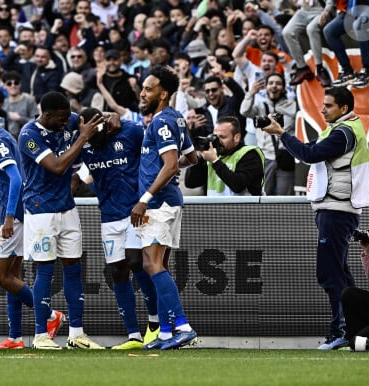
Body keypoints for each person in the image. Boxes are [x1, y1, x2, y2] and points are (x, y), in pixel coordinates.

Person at [262, 87, 369, 350]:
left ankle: (341, 331)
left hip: (336, 210)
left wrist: (281, 133)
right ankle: (353, 330)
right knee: (340, 273)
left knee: (330, 273)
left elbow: (309, 155)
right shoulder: (344, 129)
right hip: (337, 208)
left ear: (343, 109)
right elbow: (310, 148)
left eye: (328, 106)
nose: (322, 110)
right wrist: (284, 136)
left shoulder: (342, 133)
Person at [0, 94, 64, 349]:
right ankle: (15, 337)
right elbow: (9, 182)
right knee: (13, 275)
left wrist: (8, 217)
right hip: (17, 213)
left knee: (0, 276)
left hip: (18, 217)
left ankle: (50, 316)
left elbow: (17, 180)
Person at [18, 91, 105, 350]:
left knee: (74, 268)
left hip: (67, 207)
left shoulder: (69, 119)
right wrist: (83, 137)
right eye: (62, 118)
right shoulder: (28, 136)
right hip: (40, 210)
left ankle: (76, 333)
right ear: (46, 115)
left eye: (69, 116)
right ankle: (41, 335)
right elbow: (56, 166)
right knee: (45, 270)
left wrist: (105, 120)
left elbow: (93, 121)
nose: (67, 122)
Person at [78, 107, 160, 349]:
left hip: (136, 210)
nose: (90, 136)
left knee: (137, 262)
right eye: (86, 132)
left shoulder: (131, 132)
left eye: (94, 130)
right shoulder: (83, 143)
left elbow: (151, 158)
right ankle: (134, 335)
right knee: (117, 272)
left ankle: (155, 325)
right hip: (109, 216)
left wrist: (115, 114)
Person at [130, 65, 198, 350]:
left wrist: (144, 197)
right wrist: (170, 170)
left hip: (158, 204)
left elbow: (171, 164)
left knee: (151, 264)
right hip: (169, 200)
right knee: (161, 264)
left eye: (148, 88)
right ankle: (167, 332)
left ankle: (182, 326)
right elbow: (190, 158)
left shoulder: (160, 122)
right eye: (143, 88)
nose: (142, 92)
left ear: (163, 93)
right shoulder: (176, 118)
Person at [240, 73, 296, 195]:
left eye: (278, 83)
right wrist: (251, 93)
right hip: (266, 158)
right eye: (271, 83)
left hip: (286, 156)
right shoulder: (260, 106)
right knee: (264, 196)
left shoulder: (292, 106)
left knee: (285, 198)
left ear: (283, 88)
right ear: (266, 87)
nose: (274, 86)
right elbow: (244, 111)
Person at [188, 116, 265, 196]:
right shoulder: (213, 154)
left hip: (244, 208)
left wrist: (215, 161)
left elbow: (238, 185)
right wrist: (199, 157)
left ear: (236, 138)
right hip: (215, 207)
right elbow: (190, 183)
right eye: (215, 137)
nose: (217, 141)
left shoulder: (250, 154)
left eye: (222, 137)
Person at [343, 227, 369, 350]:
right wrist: (368, 251)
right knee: (350, 294)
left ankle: (359, 342)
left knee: (357, 343)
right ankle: (356, 340)